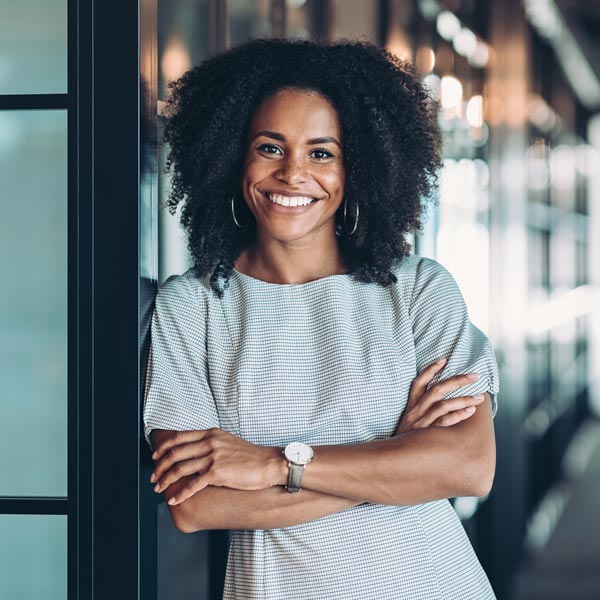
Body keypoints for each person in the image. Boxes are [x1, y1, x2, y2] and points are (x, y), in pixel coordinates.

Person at [143, 38, 500, 599]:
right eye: (269, 147)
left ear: (356, 167)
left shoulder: (418, 291)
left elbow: (469, 465)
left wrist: (272, 465)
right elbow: (197, 504)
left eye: (321, 152)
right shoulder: (192, 308)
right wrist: (397, 460)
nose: (292, 174)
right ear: (233, 155)